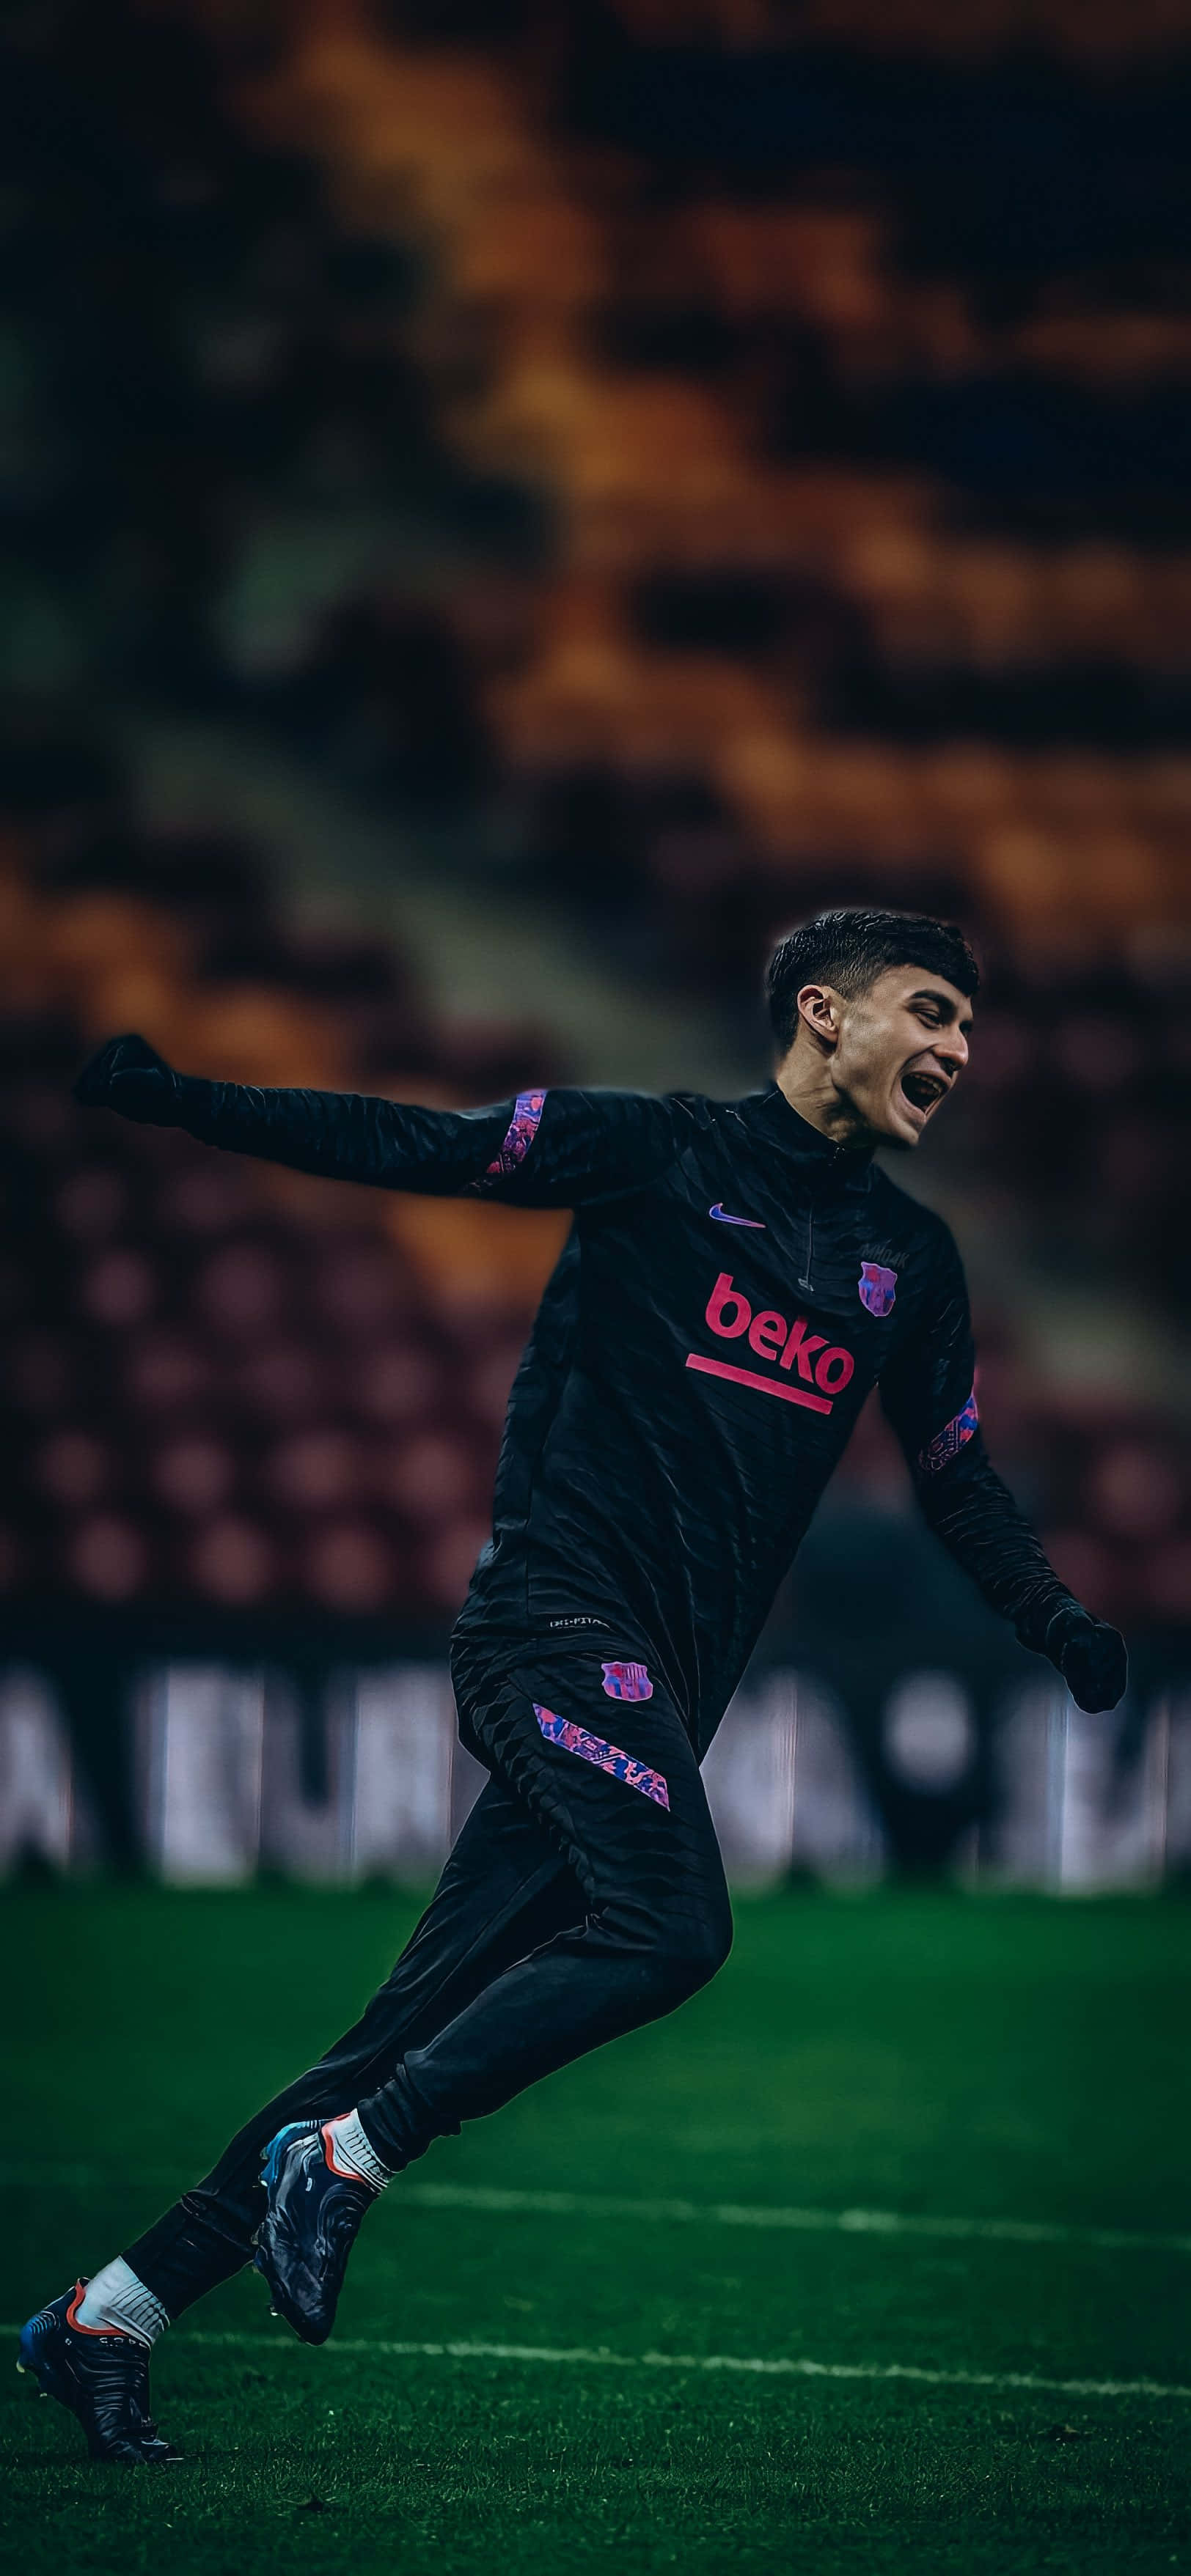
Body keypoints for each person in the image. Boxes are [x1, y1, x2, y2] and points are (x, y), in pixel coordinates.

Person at [19, 908, 1126, 2463]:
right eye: (929, 1010)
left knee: (399, 2029)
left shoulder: (909, 1262)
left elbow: (955, 1478)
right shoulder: (651, 1150)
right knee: (673, 1924)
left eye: (966, 1025)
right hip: (546, 1628)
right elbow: (416, 1143)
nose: (958, 1047)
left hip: (659, 1691)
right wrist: (192, 1101)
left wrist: (1051, 1615)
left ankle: (108, 2315)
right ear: (824, 1011)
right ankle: (346, 2159)